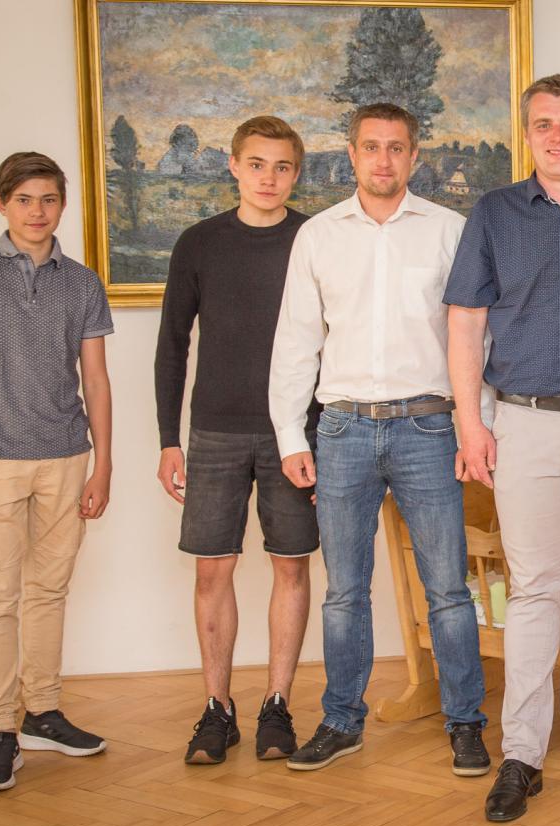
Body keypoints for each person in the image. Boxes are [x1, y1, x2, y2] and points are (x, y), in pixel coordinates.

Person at [269, 102, 488, 777]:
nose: (384, 159)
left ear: (415, 156)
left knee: (447, 587)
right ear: (352, 154)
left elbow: (476, 338)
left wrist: (476, 424)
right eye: (371, 147)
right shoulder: (319, 236)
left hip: (430, 426)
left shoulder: (450, 231)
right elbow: (296, 340)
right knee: (344, 591)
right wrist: (290, 434)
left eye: (397, 147)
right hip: (343, 430)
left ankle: (466, 722)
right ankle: (341, 721)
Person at [445, 74, 560, 823]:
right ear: (527, 134)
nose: (558, 136)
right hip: (522, 422)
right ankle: (521, 751)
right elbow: (464, 323)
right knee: (533, 589)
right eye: (544, 124)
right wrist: (471, 424)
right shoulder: (494, 212)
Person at [0, 152, 114, 792]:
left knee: (48, 591)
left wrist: (103, 464)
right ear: (1, 204)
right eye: (24, 200)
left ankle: (42, 712)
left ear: (62, 205)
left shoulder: (82, 284)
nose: (37, 212)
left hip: (66, 457)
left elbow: (96, 379)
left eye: (49, 199)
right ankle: (0, 731)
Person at [154, 116, 319, 765]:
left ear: (296, 173)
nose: (268, 178)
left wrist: (323, 434)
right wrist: (168, 439)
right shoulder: (199, 243)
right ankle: (216, 709)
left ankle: (277, 704)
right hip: (215, 430)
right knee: (211, 568)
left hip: (294, 433)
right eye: (256, 164)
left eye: (281, 166)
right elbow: (172, 345)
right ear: (233, 165)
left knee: (291, 564)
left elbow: (336, 338)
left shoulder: (314, 238)